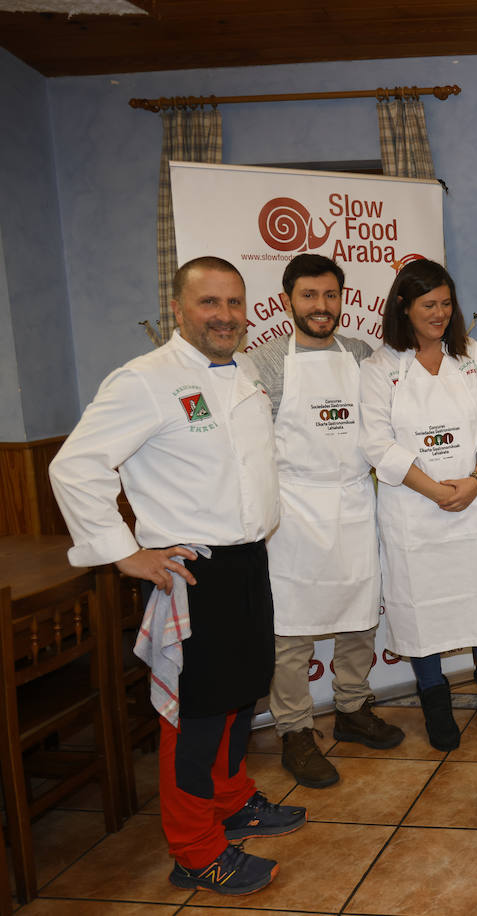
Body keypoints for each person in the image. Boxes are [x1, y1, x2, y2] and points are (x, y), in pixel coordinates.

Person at [49, 256, 304, 896]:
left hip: (247, 562)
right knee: (195, 715)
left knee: (239, 697)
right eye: (208, 302)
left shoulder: (245, 371)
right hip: (190, 573)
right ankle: (194, 851)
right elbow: (74, 467)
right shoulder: (143, 380)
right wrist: (124, 552)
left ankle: (231, 801)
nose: (224, 316)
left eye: (233, 303)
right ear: (178, 308)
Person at [358, 258, 477, 751]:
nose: (440, 314)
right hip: (414, 513)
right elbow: (377, 444)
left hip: (474, 505)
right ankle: (435, 700)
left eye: (446, 304)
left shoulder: (476, 359)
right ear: (403, 307)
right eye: (428, 304)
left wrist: (475, 480)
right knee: (420, 607)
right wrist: (434, 490)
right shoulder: (380, 368)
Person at [251, 254, 403, 788]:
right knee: (290, 629)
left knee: (360, 617)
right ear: (288, 300)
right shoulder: (264, 362)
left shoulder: (361, 356)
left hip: (354, 502)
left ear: (341, 298)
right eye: (309, 295)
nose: (321, 306)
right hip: (293, 509)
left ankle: (352, 707)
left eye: (330, 295)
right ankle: (295, 730)